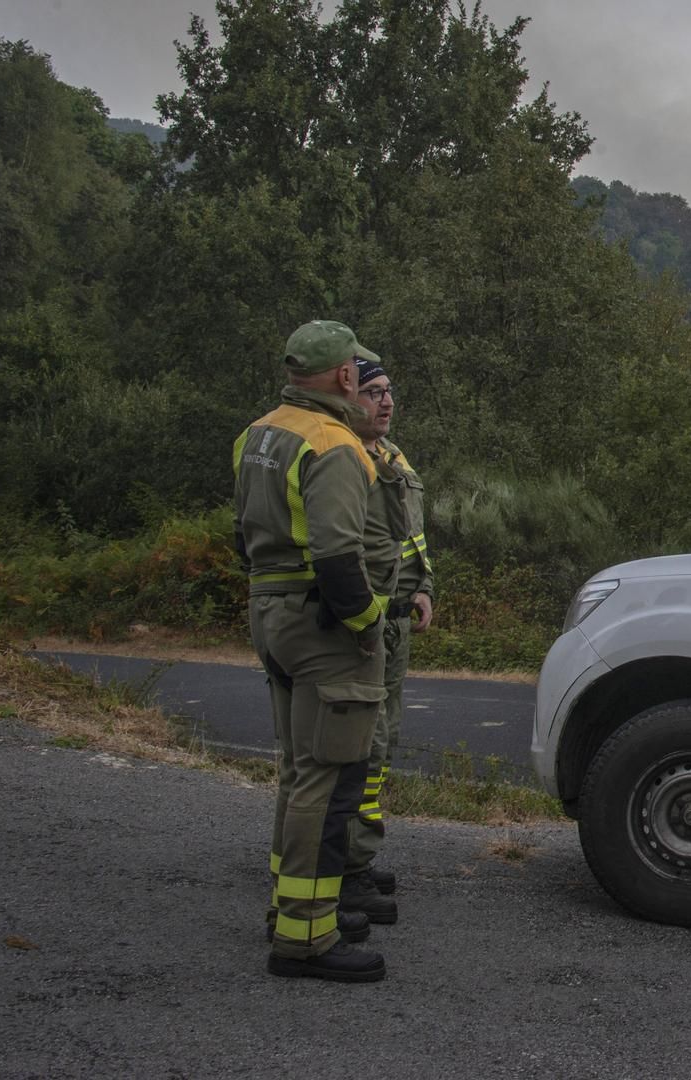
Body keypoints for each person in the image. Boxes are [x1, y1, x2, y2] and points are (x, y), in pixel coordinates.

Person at [235, 320, 390, 982]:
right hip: (322, 627)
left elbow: (241, 535)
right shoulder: (335, 446)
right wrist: (368, 622)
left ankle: (294, 910)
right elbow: (336, 556)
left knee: (300, 772)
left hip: (270, 610)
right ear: (345, 376)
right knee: (327, 781)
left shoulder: (258, 433)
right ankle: (305, 941)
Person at [341, 356, 436, 920]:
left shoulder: (394, 457)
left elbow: (414, 538)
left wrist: (425, 588)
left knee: (383, 746)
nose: (386, 402)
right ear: (350, 398)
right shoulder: (345, 458)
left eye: (390, 392)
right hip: (365, 624)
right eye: (373, 392)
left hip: (398, 622)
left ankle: (361, 853)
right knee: (361, 745)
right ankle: (345, 864)